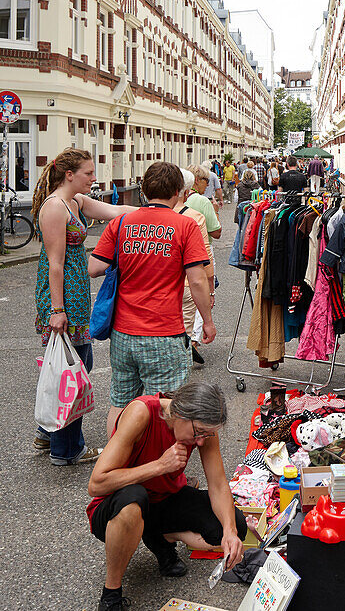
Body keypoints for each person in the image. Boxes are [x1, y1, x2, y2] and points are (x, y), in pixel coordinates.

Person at [87, 380, 246, 611]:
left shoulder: (203, 429)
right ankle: (111, 592)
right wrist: (159, 466)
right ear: (180, 412)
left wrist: (230, 532)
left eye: (207, 435)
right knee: (134, 498)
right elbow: (97, 483)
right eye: (198, 433)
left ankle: (161, 537)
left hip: (162, 500)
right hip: (115, 507)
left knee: (234, 525)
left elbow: (219, 485)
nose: (200, 441)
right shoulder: (142, 413)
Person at [88, 162, 215, 438]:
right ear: (178, 193)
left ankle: (115, 464)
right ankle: (163, 472)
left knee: (121, 405)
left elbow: (94, 268)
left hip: (122, 333)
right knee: (169, 406)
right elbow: (196, 280)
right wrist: (207, 321)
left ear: (144, 190)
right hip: (164, 334)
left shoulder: (120, 223)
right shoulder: (185, 226)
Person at [32, 149, 137, 465]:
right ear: (69, 175)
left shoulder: (74, 202)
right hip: (63, 296)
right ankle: (66, 449)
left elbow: (117, 210)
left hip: (75, 293)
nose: (94, 178)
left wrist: (157, 212)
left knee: (68, 363)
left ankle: (47, 431)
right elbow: (54, 264)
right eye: (89, 173)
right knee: (74, 369)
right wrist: (57, 310)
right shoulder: (54, 208)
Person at [175, 170, 215, 369]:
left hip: (160, 288)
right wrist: (211, 290)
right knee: (184, 331)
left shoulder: (146, 216)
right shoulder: (194, 218)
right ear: (187, 191)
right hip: (187, 285)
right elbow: (204, 259)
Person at [185, 166, 223, 365]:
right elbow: (216, 232)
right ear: (197, 180)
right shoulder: (202, 201)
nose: (208, 185)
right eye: (206, 181)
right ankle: (193, 338)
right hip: (201, 253)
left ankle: (187, 336)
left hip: (180, 256)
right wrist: (215, 212)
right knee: (202, 293)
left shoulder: (179, 201)